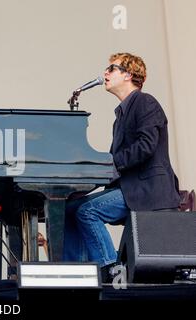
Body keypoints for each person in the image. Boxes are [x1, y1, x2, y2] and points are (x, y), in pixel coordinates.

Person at [63, 52, 180, 280]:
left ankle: (111, 270)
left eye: (111, 69)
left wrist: (110, 163)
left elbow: (145, 146)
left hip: (149, 190)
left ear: (128, 75)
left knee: (88, 211)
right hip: (129, 189)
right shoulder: (120, 117)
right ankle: (77, 271)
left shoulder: (146, 102)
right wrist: (84, 181)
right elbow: (115, 163)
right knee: (69, 209)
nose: (105, 73)